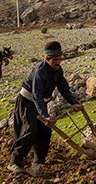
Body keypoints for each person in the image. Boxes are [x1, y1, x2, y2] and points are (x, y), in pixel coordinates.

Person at [8, 41, 83, 175]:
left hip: (40, 103)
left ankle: (38, 163)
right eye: (55, 60)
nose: (58, 62)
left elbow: (63, 88)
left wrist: (74, 103)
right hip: (27, 101)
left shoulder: (58, 70)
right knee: (30, 130)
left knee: (45, 131)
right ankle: (15, 162)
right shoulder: (39, 72)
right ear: (47, 59)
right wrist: (45, 115)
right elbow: (36, 96)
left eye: (60, 59)